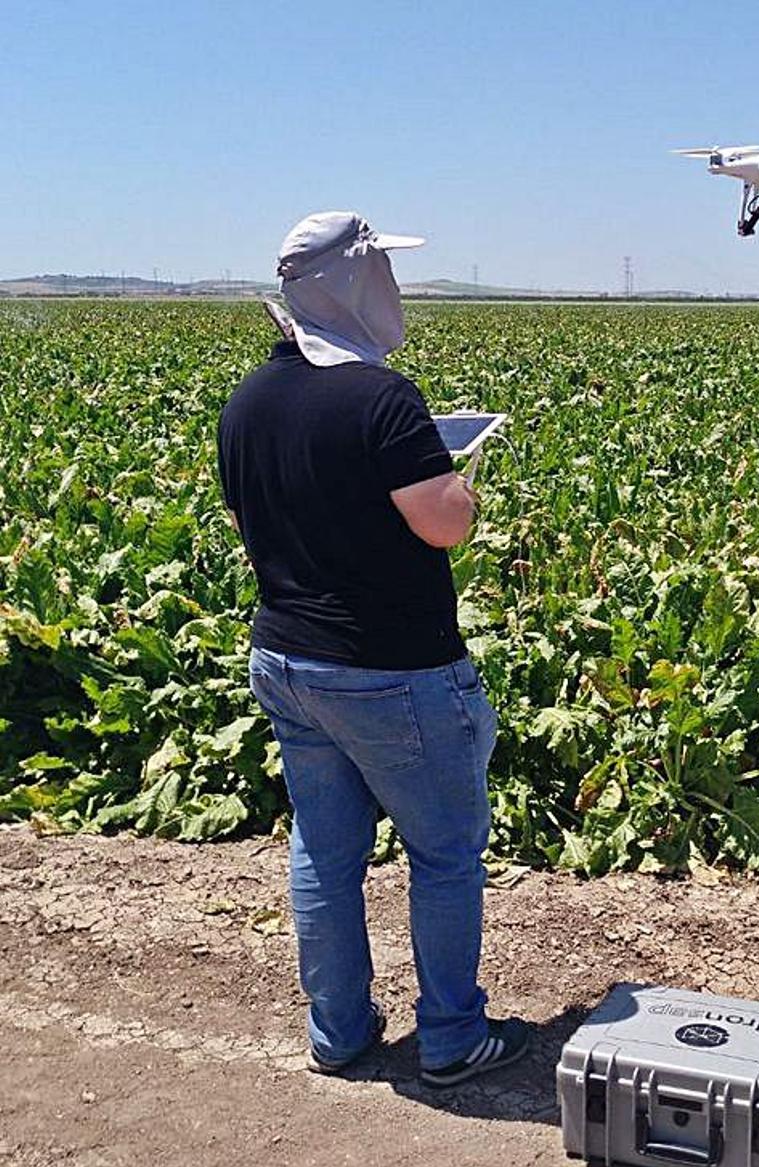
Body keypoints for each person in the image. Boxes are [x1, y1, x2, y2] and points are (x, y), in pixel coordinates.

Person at [217, 211, 530, 1086]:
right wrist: (458, 481)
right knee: (442, 856)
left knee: (324, 848)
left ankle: (338, 1032)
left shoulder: (247, 402)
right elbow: (444, 526)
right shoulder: (383, 399)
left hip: (286, 660)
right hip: (394, 671)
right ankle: (452, 1038)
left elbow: (253, 528)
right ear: (355, 286)